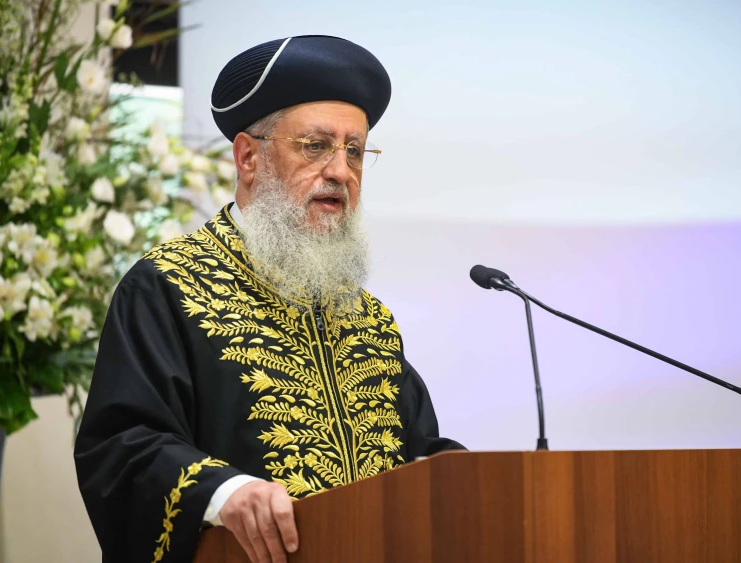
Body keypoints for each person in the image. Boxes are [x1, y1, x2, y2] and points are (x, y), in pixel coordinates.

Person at [74, 35, 464, 563]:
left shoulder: (368, 319)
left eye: (354, 151)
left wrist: (465, 477)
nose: (341, 171)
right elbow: (122, 448)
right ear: (248, 157)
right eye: (316, 146)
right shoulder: (168, 286)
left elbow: (417, 455)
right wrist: (224, 493)